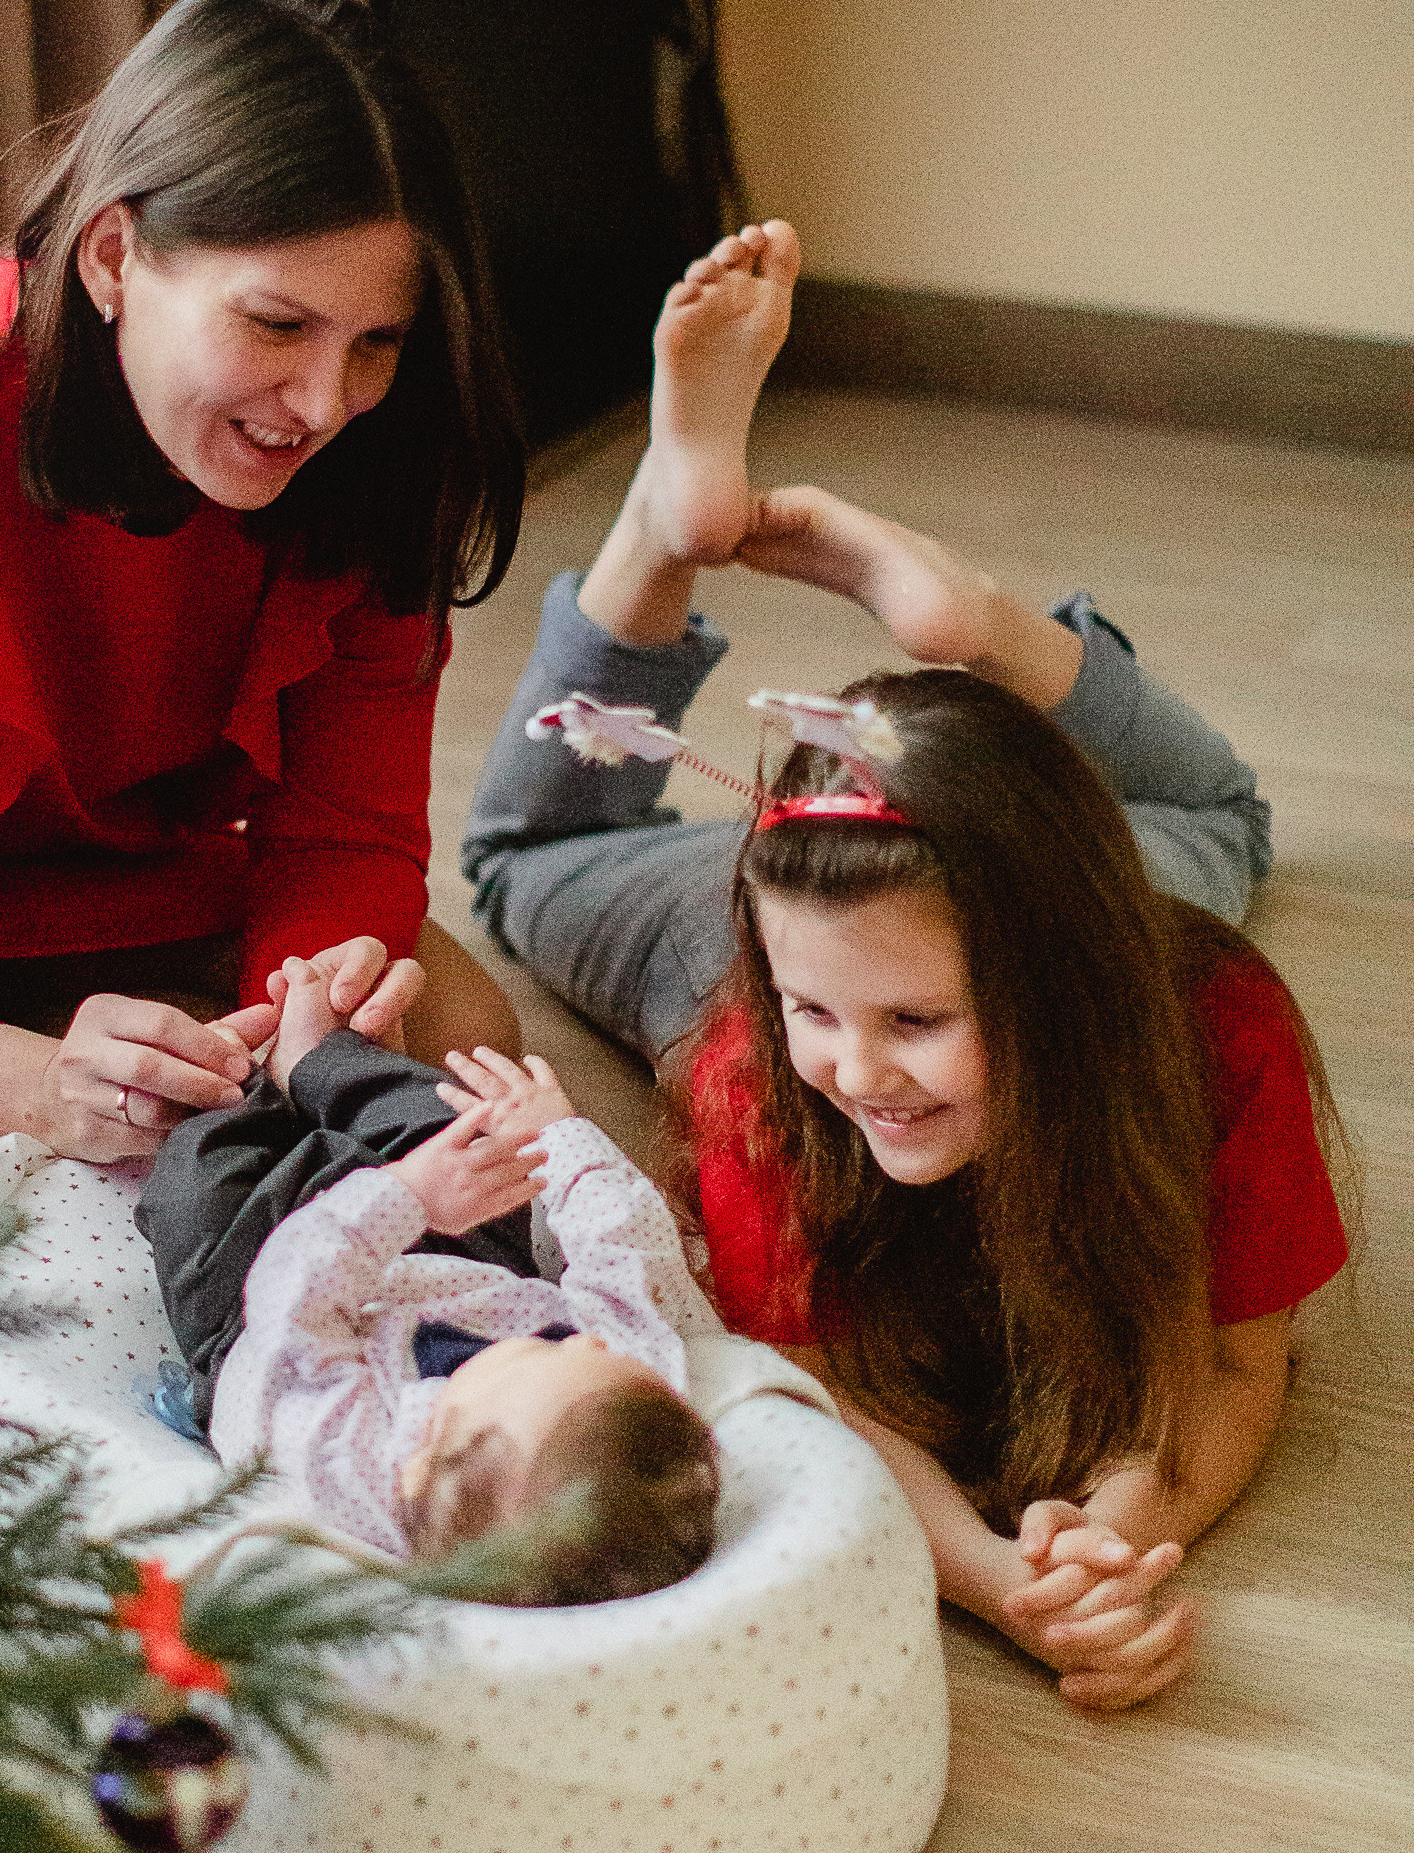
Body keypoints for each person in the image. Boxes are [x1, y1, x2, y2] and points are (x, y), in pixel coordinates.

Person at [461, 222, 1349, 1710]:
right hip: (733, 900)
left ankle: (979, 626)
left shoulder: (1207, 1014)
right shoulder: (763, 1059)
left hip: (1081, 870)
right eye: (825, 1015)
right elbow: (829, 1395)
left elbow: (1235, 1360)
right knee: (517, 859)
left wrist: (1128, 1539)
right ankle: (659, 526)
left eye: (918, 1022)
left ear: (1069, 977)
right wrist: (1004, 1584)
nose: (857, 1071)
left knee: (1212, 822)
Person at [0, 0, 528, 1190]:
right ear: (114, 254)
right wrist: (20, 1080)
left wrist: (307, 1004)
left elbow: (349, 830)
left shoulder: (382, 448)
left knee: (457, 1045)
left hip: (153, 886)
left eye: (374, 343)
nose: (326, 403)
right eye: (277, 324)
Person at [145, 983, 721, 1601]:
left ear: (428, 1452)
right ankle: (318, 1062)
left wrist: (409, 1195)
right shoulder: (619, 1384)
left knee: (198, 1195)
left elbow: (291, 1291)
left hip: (267, 1309)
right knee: (465, 1133)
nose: (588, 1343)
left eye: (545, 1352)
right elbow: (630, 1255)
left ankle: (230, 1085)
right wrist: (556, 1134)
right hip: (456, 1271)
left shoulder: (346, 1457)